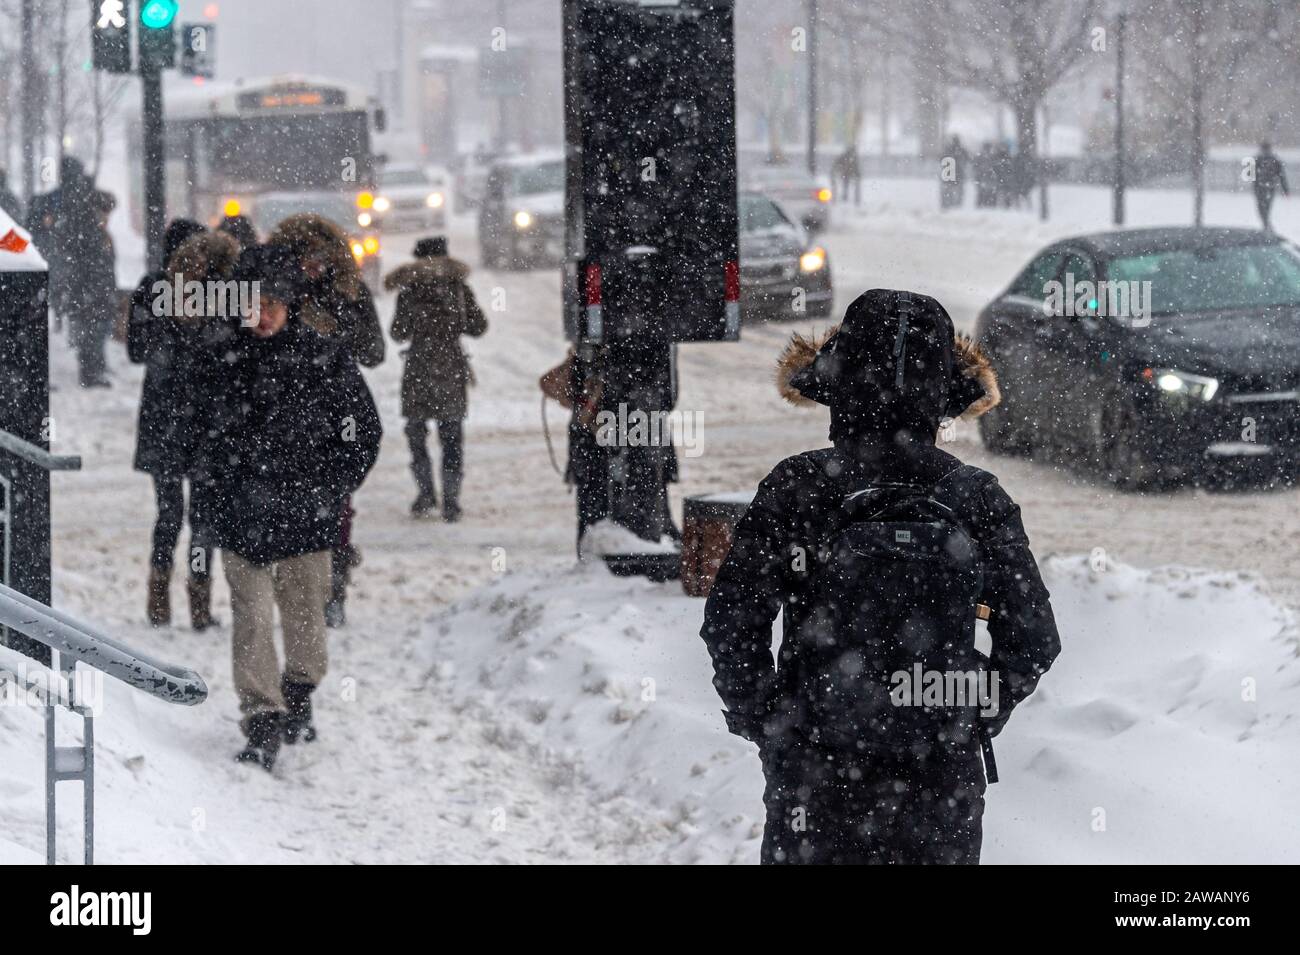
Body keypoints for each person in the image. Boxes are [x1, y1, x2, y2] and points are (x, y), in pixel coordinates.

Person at [700, 288, 1061, 864]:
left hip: (816, 777)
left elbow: (732, 619)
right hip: (938, 785)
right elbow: (1034, 639)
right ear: (943, 399)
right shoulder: (976, 499)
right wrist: (967, 715)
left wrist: (768, 721)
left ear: (836, 387)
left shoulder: (798, 487)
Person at [197, 243, 381, 770]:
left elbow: (362, 431)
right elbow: (201, 436)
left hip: (307, 511)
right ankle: (262, 718)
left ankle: (299, 696)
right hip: (242, 513)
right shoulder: (223, 359)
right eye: (253, 303)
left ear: (292, 304)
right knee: (250, 617)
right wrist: (215, 492)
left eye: (273, 303)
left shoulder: (324, 359)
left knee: (305, 616)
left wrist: (335, 484)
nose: (262, 314)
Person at [267, 213, 385, 626]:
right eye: (303, 258)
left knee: (335, 504)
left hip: (335, 406)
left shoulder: (346, 294)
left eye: (318, 258)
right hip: (279, 407)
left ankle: (333, 587)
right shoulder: (275, 295)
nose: (311, 266)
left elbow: (374, 351)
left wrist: (335, 334)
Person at [127, 219, 225, 628]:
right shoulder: (219, 292)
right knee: (203, 517)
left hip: (163, 417)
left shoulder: (152, 288)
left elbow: (135, 350)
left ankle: (158, 600)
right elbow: (225, 349)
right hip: (205, 418)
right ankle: (199, 604)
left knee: (168, 514)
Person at [385, 236, 487, 520]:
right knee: (452, 436)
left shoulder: (409, 290)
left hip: (418, 369)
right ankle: (452, 501)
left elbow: (397, 333)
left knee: (416, 435)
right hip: (450, 367)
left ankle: (426, 493)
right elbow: (479, 327)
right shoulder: (458, 288)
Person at [65, 189, 119, 387]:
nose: (108, 217)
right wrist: (98, 292)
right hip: (92, 294)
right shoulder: (92, 233)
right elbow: (93, 266)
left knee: (95, 332)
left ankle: (94, 369)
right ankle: (90, 373)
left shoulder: (95, 232)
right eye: (107, 212)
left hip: (95, 293)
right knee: (92, 333)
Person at [1252, 141, 1290, 232]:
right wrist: (1286, 189)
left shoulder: (1257, 159)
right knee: (1267, 206)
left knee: (1261, 207)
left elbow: (1250, 174)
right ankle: (1266, 224)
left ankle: (1266, 224)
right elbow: (1281, 175)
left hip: (1260, 187)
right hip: (1270, 187)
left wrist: (1255, 183)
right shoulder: (1275, 159)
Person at [941, 135, 967, 210]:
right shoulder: (961, 150)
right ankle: (955, 206)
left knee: (949, 192)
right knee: (956, 193)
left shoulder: (948, 150)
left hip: (949, 175)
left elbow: (942, 159)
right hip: (956, 175)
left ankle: (949, 205)